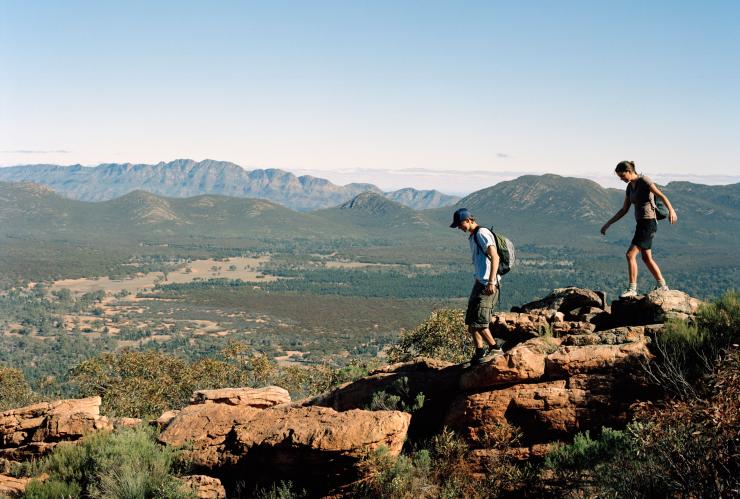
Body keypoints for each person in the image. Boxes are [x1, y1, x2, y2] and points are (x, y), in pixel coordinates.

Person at [600, 160, 678, 298]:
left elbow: (661, 195)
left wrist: (671, 210)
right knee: (646, 258)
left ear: (629, 172)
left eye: (622, 176)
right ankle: (663, 286)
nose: (621, 179)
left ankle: (632, 289)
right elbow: (624, 209)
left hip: (648, 223)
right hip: (641, 224)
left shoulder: (644, 181)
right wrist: (608, 223)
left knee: (630, 255)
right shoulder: (630, 187)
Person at [450, 208, 503, 365]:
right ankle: (479, 353)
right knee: (471, 321)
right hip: (480, 283)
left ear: (468, 220)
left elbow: (495, 257)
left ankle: (495, 348)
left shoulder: (482, 233)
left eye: (460, 224)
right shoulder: (473, 236)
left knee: (479, 322)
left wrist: (492, 282)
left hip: (488, 285)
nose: (459, 228)